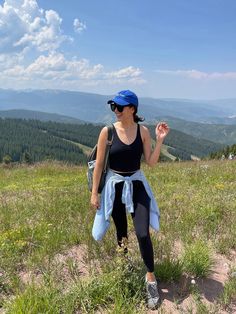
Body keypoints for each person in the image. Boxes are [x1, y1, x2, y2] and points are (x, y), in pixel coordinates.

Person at [90, 90, 169, 309]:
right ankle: (124, 269)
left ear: (132, 109)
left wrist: (160, 141)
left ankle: (150, 277)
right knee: (121, 232)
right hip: (115, 186)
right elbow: (98, 165)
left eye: (119, 106)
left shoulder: (143, 131)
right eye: (113, 106)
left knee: (143, 233)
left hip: (136, 184)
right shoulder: (107, 132)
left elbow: (151, 162)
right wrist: (94, 193)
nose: (115, 110)